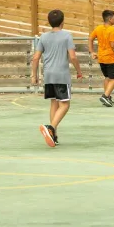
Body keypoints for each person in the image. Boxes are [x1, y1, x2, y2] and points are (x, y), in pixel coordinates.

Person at [31, 9, 83, 148]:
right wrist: (79, 71)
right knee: (65, 104)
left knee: (54, 103)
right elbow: (72, 57)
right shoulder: (67, 36)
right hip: (62, 75)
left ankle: (54, 136)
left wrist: (34, 75)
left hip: (48, 75)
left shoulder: (43, 37)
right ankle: (51, 128)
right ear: (63, 21)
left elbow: (36, 58)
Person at [88, 10, 114, 107]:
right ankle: (105, 96)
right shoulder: (112, 30)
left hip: (101, 58)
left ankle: (108, 96)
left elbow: (90, 38)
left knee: (107, 77)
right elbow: (113, 46)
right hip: (111, 58)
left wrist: (92, 52)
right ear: (110, 19)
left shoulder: (98, 28)